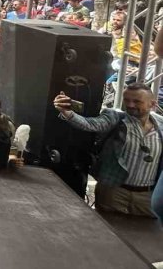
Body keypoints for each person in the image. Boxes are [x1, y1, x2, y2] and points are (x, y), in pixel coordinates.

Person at [54, 84, 163, 217]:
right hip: (114, 191)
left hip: (148, 196)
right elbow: (91, 124)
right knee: (108, 231)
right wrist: (67, 113)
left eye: (137, 101)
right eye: (127, 100)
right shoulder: (116, 117)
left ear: (152, 104)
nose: (130, 105)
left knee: (148, 233)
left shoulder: (160, 125)